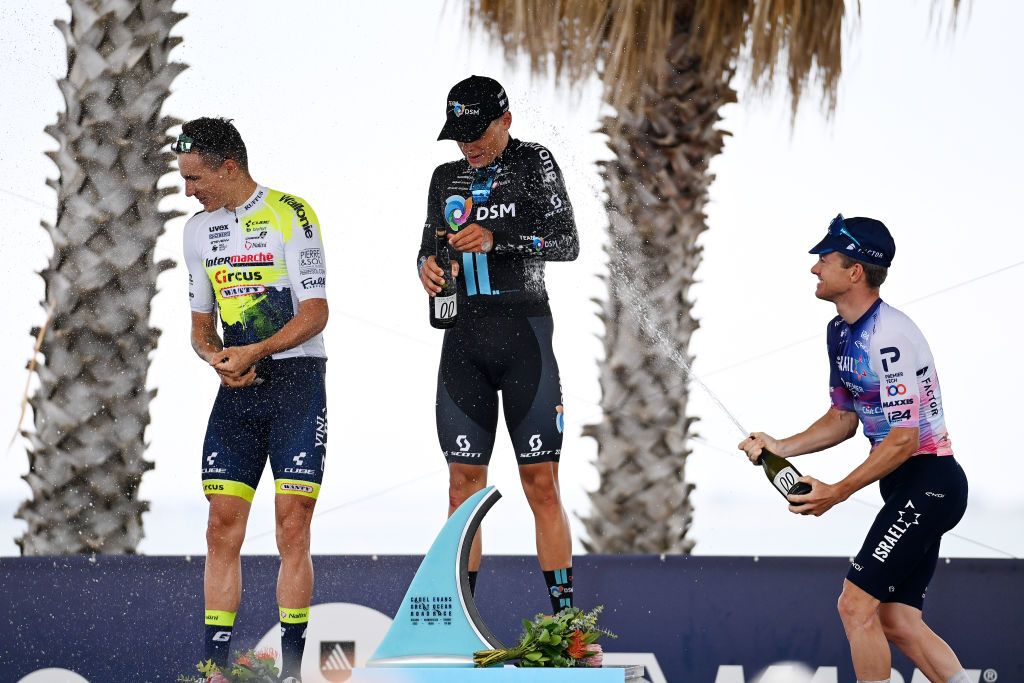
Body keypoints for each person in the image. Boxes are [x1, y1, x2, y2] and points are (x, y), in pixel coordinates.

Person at [738, 215, 970, 683]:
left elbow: (904, 439)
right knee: (898, 622)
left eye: (824, 260)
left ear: (855, 272)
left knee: (854, 605)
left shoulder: (890, 337)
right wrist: (779, 445)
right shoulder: (839, 331)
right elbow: (844, 417)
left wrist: (838, 491)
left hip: (930, 483)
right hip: (907, 485)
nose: (814, 269)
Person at [417, 75, 580, 613]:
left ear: (505, 120)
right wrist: (428, 270)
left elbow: (566, 243)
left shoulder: (535, 162)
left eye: (477, 132)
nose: (469, 144)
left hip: (524, 336)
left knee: (541, 484)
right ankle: (459, 622)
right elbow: (428, 251)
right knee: (462, 487)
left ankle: (568, 629)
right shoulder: (445, 177)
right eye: (459, 135)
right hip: (463, 341)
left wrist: (497, 240)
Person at [176, 117, 329, 683]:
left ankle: (290, 671)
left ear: (228, 167)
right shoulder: (196, 231)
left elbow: (316, 314)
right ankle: (215, 668)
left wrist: (256, 349)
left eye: (195, 178)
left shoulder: (291, 212)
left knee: (292, 525)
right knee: (221, 524)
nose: (190, 191)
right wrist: (216, 358)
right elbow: (199, 328)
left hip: (296, 382)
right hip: (236, 389)